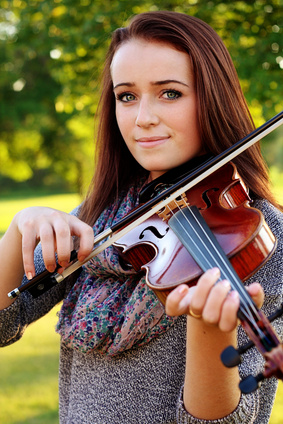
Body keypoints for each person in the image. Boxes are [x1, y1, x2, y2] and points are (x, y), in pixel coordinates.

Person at [0, 10, 282, 424]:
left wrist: (210, 330)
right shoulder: (106, 215)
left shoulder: (258, 233)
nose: (143, 118)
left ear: (212, 97)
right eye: (126, 96)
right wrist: (19, 228)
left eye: (170, 93)